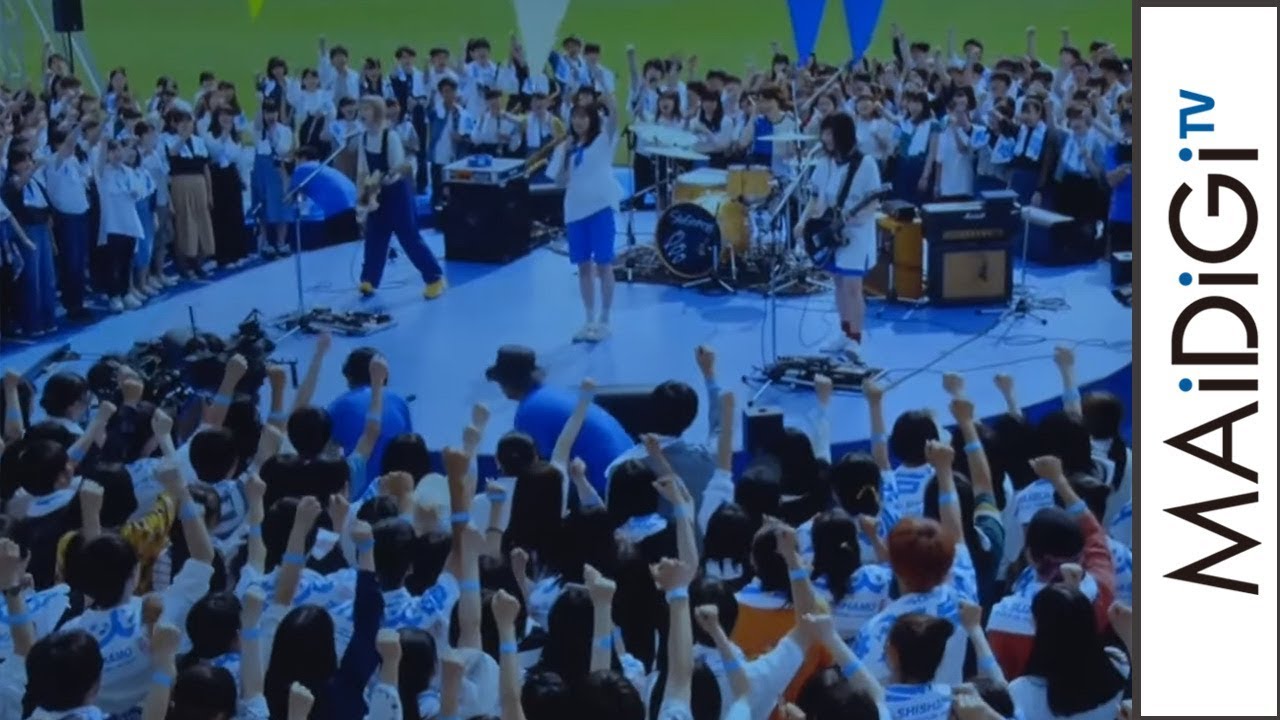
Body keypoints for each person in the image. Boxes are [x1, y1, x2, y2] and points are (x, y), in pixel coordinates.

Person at [484, 345, 631, 495]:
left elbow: (539, 471)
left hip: (607, 487)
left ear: (507, 381)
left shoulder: (529, 413)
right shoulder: (552, 394)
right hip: (630, 473)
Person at [795, 112, 882, 361]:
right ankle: (844, 331)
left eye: (830, 133)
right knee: (839, 283)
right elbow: (814, 198)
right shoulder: (825, 163)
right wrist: (802, 222)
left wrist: (853, 218)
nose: (825, 138)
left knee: (853, 286)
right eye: (823, 133)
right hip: (830, 231)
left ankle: (856, 338)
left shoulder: (866, 164)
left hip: (856, 234)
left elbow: (873, 202)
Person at [547, 89, 622, 342]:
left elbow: (615, 119)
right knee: (583, 267)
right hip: (575, 212)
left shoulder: (602, 140)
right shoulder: (566, 147)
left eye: (583, 117)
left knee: (604, 264)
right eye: (575, 117)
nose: (578, 121)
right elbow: (559, 181)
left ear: (592, 119)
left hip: (600, 209)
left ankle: (605, 320)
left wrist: (608, 98)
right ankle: (589, 320)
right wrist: (565, 155)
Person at [354, 95, 446, 300]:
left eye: (366, 109)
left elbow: (398, 168)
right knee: (375, 235)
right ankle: (369, 279)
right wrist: (363, 194)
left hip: (396, 192)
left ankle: (435, 278)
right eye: (361, 109)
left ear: (377, 112)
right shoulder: (363, 138)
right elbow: (362, 170)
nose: (362, 113)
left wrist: (379, 181)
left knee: (408, 236)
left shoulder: (391, 137)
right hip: (375, 192)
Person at [328, 345, 413, 489]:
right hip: (397, 489)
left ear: (349, 376)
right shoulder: (400, 402)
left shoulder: (338, 406)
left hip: (354, 491)